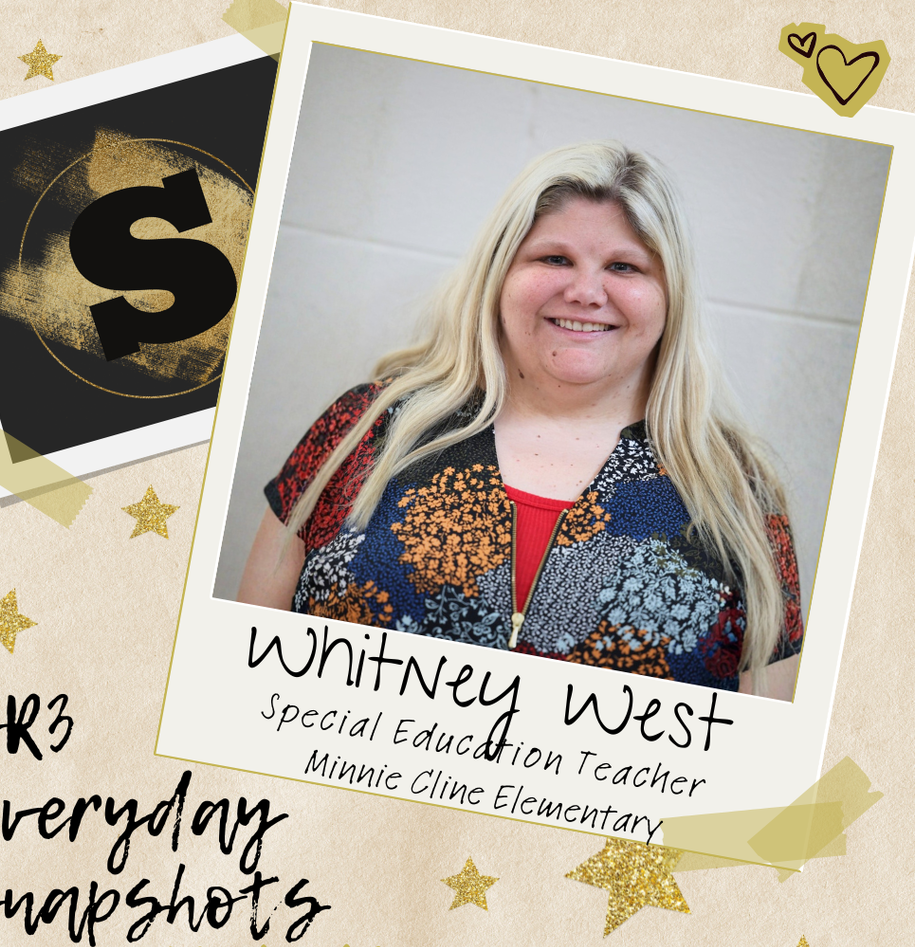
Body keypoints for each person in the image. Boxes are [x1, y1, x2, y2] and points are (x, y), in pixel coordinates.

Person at [239, 142, 803, 701]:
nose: (585, 293)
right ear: (500, 274)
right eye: (554, 259)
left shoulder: (738, 493)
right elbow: (242, 671)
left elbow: (757, 760)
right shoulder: (362, 430)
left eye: (624, 266)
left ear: (669, 297)